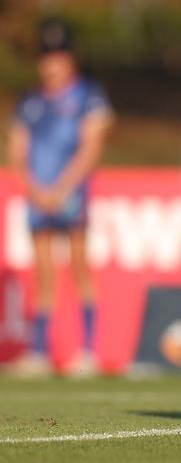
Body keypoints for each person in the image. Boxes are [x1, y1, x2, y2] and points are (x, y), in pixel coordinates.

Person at [7, 19, 113, 377]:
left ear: (69, 59)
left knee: (79, 265)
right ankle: (38, 351)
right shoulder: (30, 102)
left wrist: (62, 189)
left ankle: (87, 351)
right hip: (38, 194)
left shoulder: (88, 95)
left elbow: (90, 146)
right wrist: (34, 188)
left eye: (57, 56)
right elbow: (18, 149)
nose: (50, 64)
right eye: (46, 56)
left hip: (71, 193)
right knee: (43, 271)